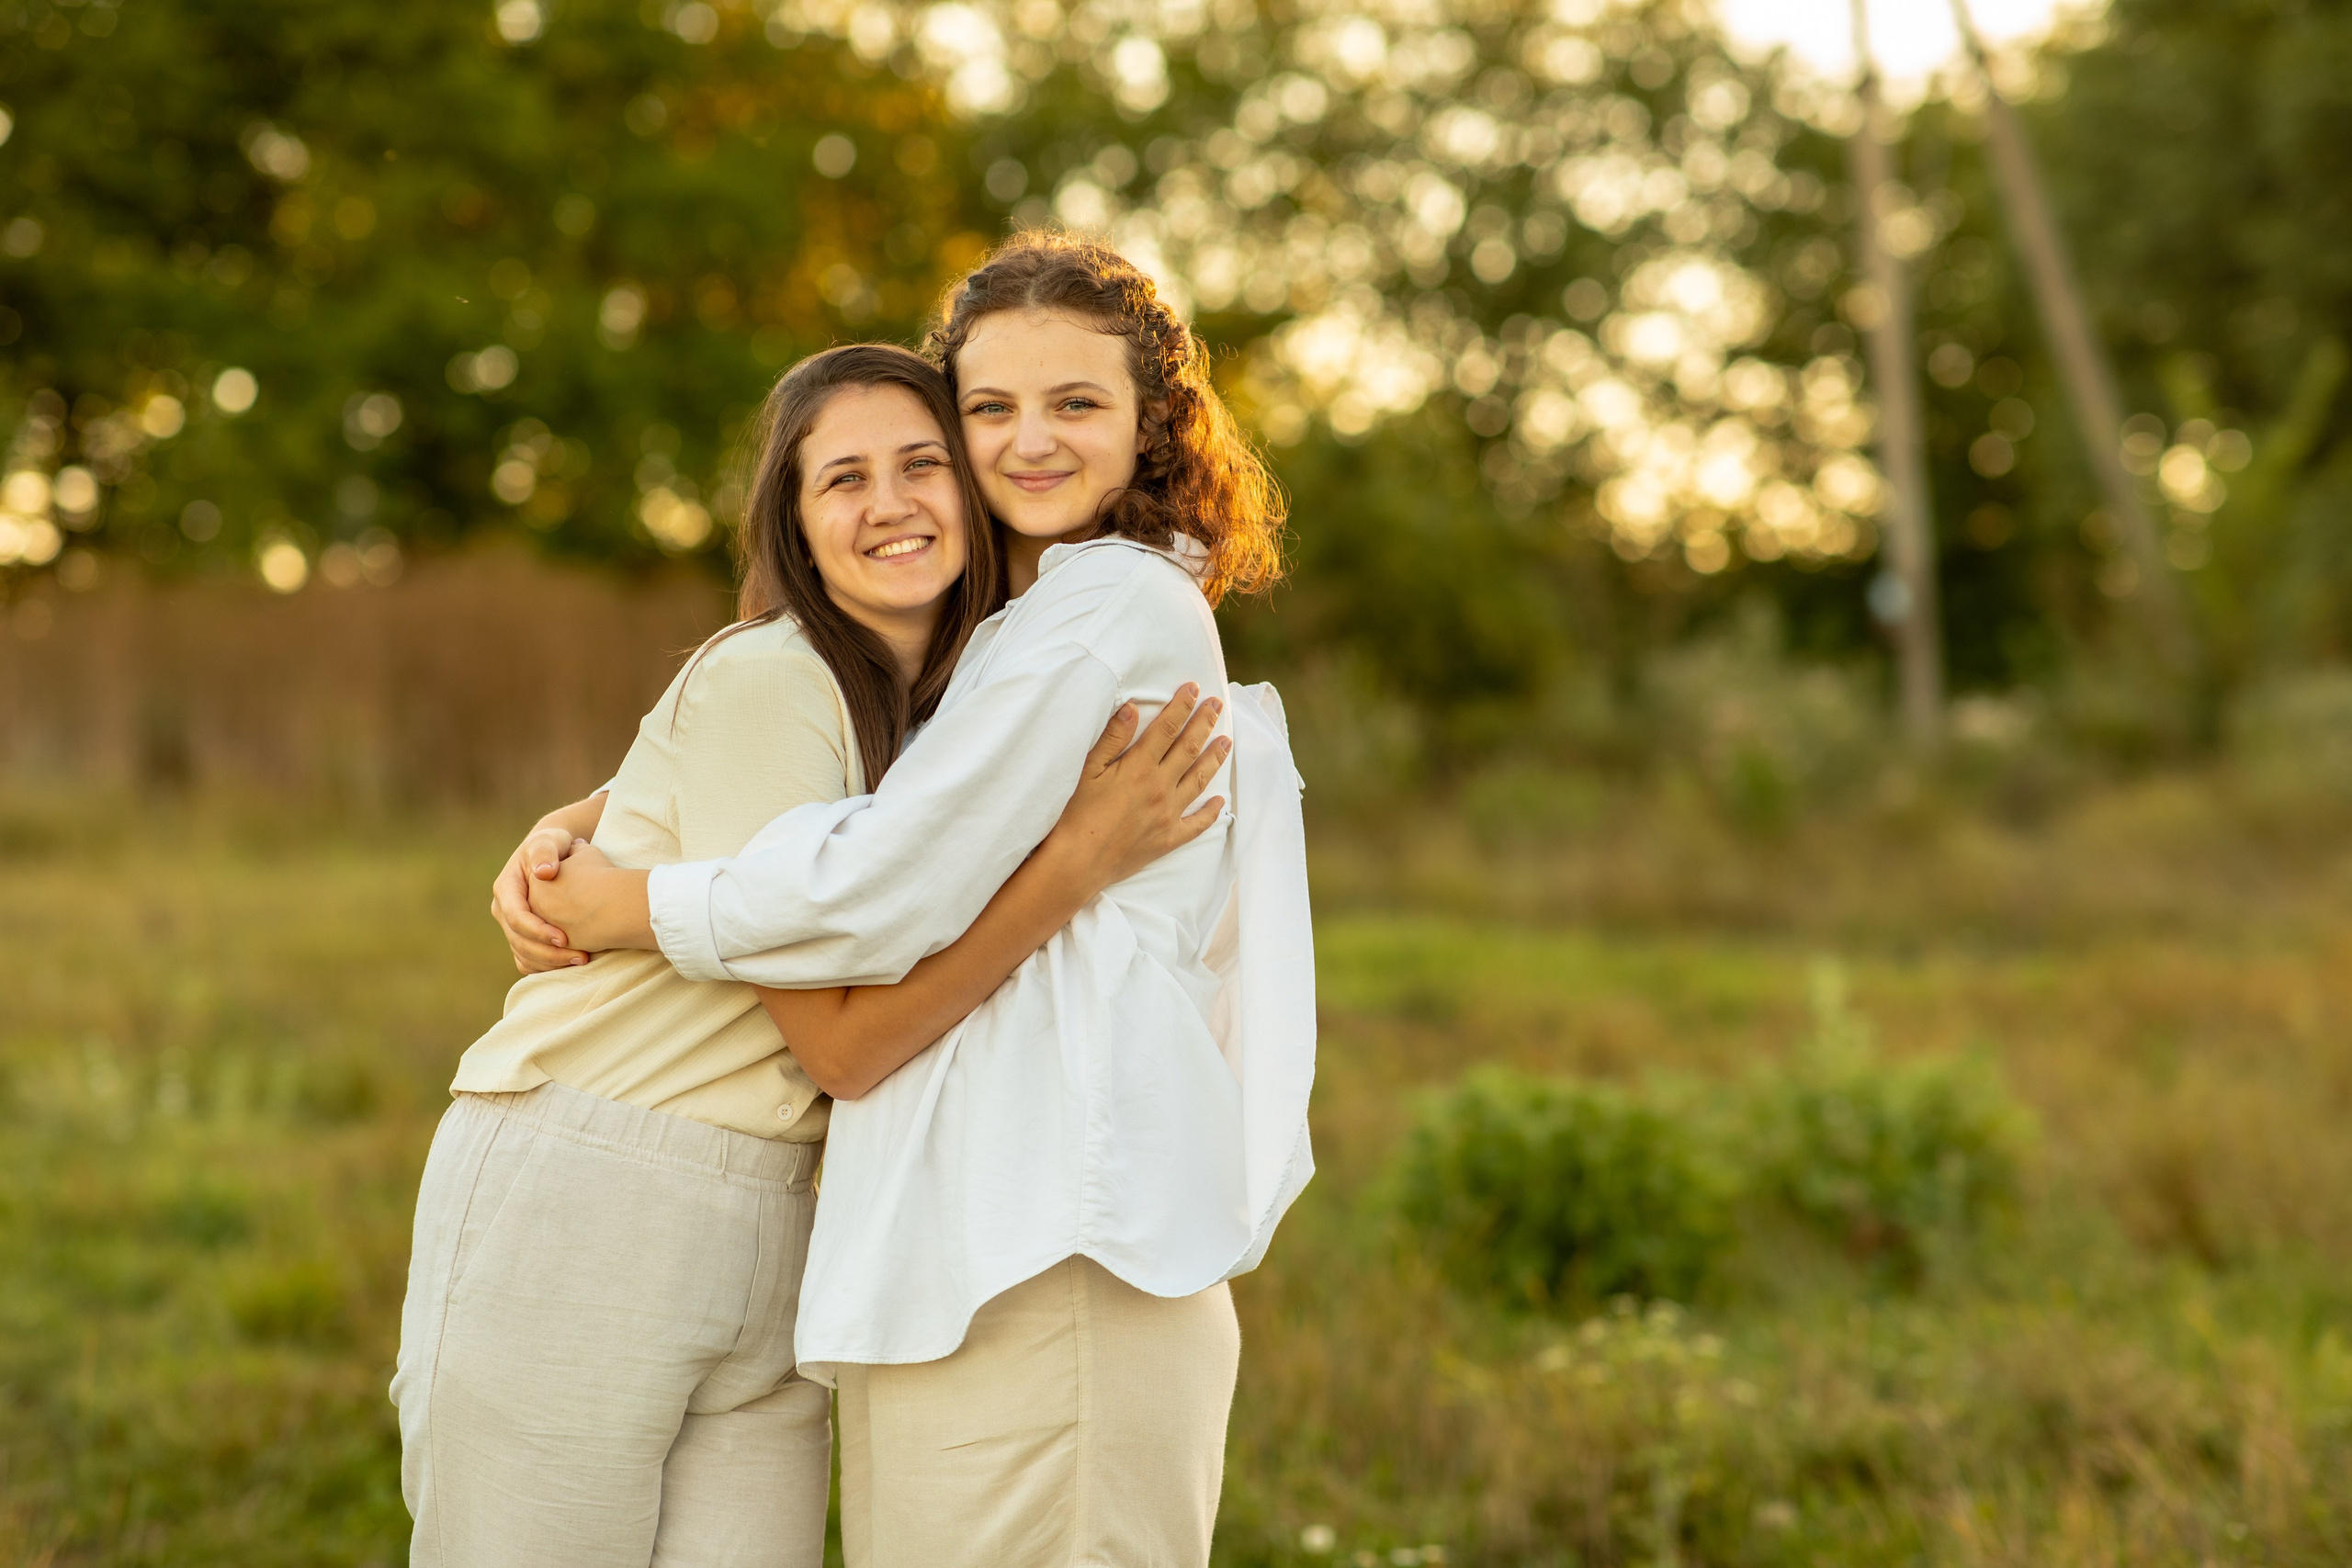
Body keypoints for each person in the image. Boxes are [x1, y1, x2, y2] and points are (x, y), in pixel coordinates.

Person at [523, 233, 1317, 1568]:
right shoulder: (1023, 623)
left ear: (1152, 423)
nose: (1031, 442)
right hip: (972, 1254)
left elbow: (886, 880)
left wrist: (629, 907)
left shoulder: (1107, 606)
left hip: (1058, 1245)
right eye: (991, 407)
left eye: (1077, 403)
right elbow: (890, 780)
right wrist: (583, 817)